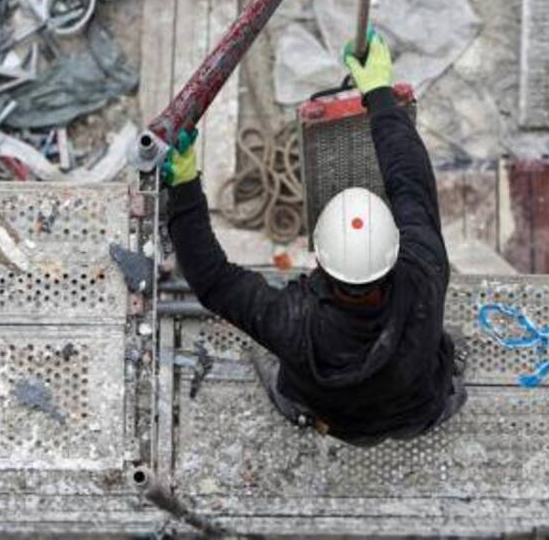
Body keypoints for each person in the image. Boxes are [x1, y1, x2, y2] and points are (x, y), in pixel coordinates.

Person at [163, 30, 466, 447]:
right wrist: (378, 92)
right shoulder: (425, 272)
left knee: (289, 391)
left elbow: (211, 280)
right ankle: (443, 395)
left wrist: (182, 185)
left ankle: (300, 413)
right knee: (441, 371)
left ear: (320, 259)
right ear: (394, 249)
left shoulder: (292, 321)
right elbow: (409, 178)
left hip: (338, 420)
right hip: (417, 411)